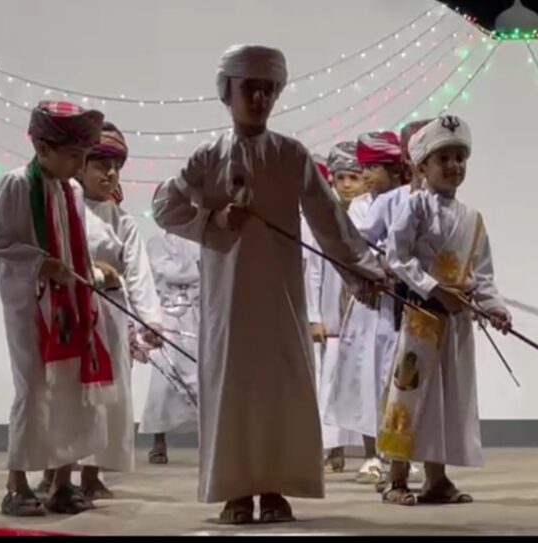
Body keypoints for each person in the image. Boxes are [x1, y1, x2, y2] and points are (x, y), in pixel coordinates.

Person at [151, 44, 385, 524]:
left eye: (268, 89)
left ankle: (276, 489)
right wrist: (213, 220)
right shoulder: (207, 156)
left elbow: (329, 220)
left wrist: (364, 271)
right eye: (249, 89)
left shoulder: (290, 154)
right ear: (227, 92)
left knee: (279, 389)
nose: (259, 98)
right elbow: (164, 208)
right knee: (233, 388)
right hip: (227, 301)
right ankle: (235, 492)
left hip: (281, 296)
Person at [0, 101, 113, 516]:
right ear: (42, 148)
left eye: (83, 156)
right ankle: (16, 484)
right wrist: (40, 262)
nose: (79, 165)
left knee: (72, 388)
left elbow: (77, 247)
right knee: (34, 389)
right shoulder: (17, 184)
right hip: (29, 305)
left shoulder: (72, 190)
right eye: (72, 155)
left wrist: (89, 277)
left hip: (71, 306)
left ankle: (62, 483)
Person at [378, 115, 512, 506]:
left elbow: (481, 274)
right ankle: (396, 479)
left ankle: (436, 479)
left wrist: (494, 307)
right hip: (421, 318)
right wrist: (434, 288)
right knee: (409, 395)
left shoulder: (473, 219)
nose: (454, 166)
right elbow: (397, 256)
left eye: (459, 158)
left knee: (445, 399)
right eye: (443, 158)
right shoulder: (415, 207)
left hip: (456, 324)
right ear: (422, 166)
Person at [48, 122, 164, 500]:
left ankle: (92, 473)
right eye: (101, 164)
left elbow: (138, 274)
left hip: (110, 317)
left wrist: (150, 321)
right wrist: (94, 272)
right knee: (65, 392)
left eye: (115, 166)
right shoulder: (63, 208)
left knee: (106, 396)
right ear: (81, 166)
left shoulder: (122, 221)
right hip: (70, 315)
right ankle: (56, 471)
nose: (110, 173)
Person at [323, 131, 406, 486]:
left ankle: (400, 454)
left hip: (402, 304)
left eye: (373, 168)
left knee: (398, 380)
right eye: (364, 168)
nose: (366, 176)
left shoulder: (409, 200)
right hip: (369, 304)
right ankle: (373, 454)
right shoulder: (359, 207)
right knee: (368, 379)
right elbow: (357, 249)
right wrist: (379, 270)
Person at [305, 142, 369, 474]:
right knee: (330, 383)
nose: (346, 185)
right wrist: (314, 316)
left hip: (364, 313)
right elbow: (314, 271)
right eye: (340, 178)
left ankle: (372, 450)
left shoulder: (371, 216)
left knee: (363, 382)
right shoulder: (324, 220)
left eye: (353, 178)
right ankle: (333, 449)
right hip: (332, 318)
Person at [139, 229, 201, 465]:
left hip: (198, 317)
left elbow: (207, 271)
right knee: (163, 382)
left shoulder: (200, 238)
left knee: (204, 381)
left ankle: (209, 441)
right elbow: (165, 272)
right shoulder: (156, 241)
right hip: (167, 317)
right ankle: (159, 441)